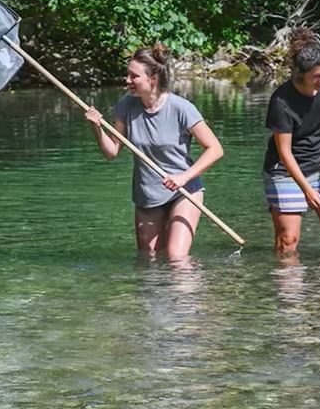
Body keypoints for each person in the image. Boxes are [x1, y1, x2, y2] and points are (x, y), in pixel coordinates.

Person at [85, 43, 224, 260]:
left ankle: (190, 295)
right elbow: (111, 152)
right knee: (149, 260)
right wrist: (96, 126)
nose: (127, 80)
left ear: (153, 79)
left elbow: (215, 149)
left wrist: (184, 177)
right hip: (147, 194)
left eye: (134, 76)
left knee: (176, 258)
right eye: (127, 75)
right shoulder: (126, 106)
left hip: (184, 190)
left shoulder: (181, 108)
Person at [263, 29, 320, 257]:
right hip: (286, 172)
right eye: (316, 76)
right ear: (301, 75)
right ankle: (291, 292)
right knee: (288, 241)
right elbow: (284, 152)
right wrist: (307, 189)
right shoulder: (281, 102)